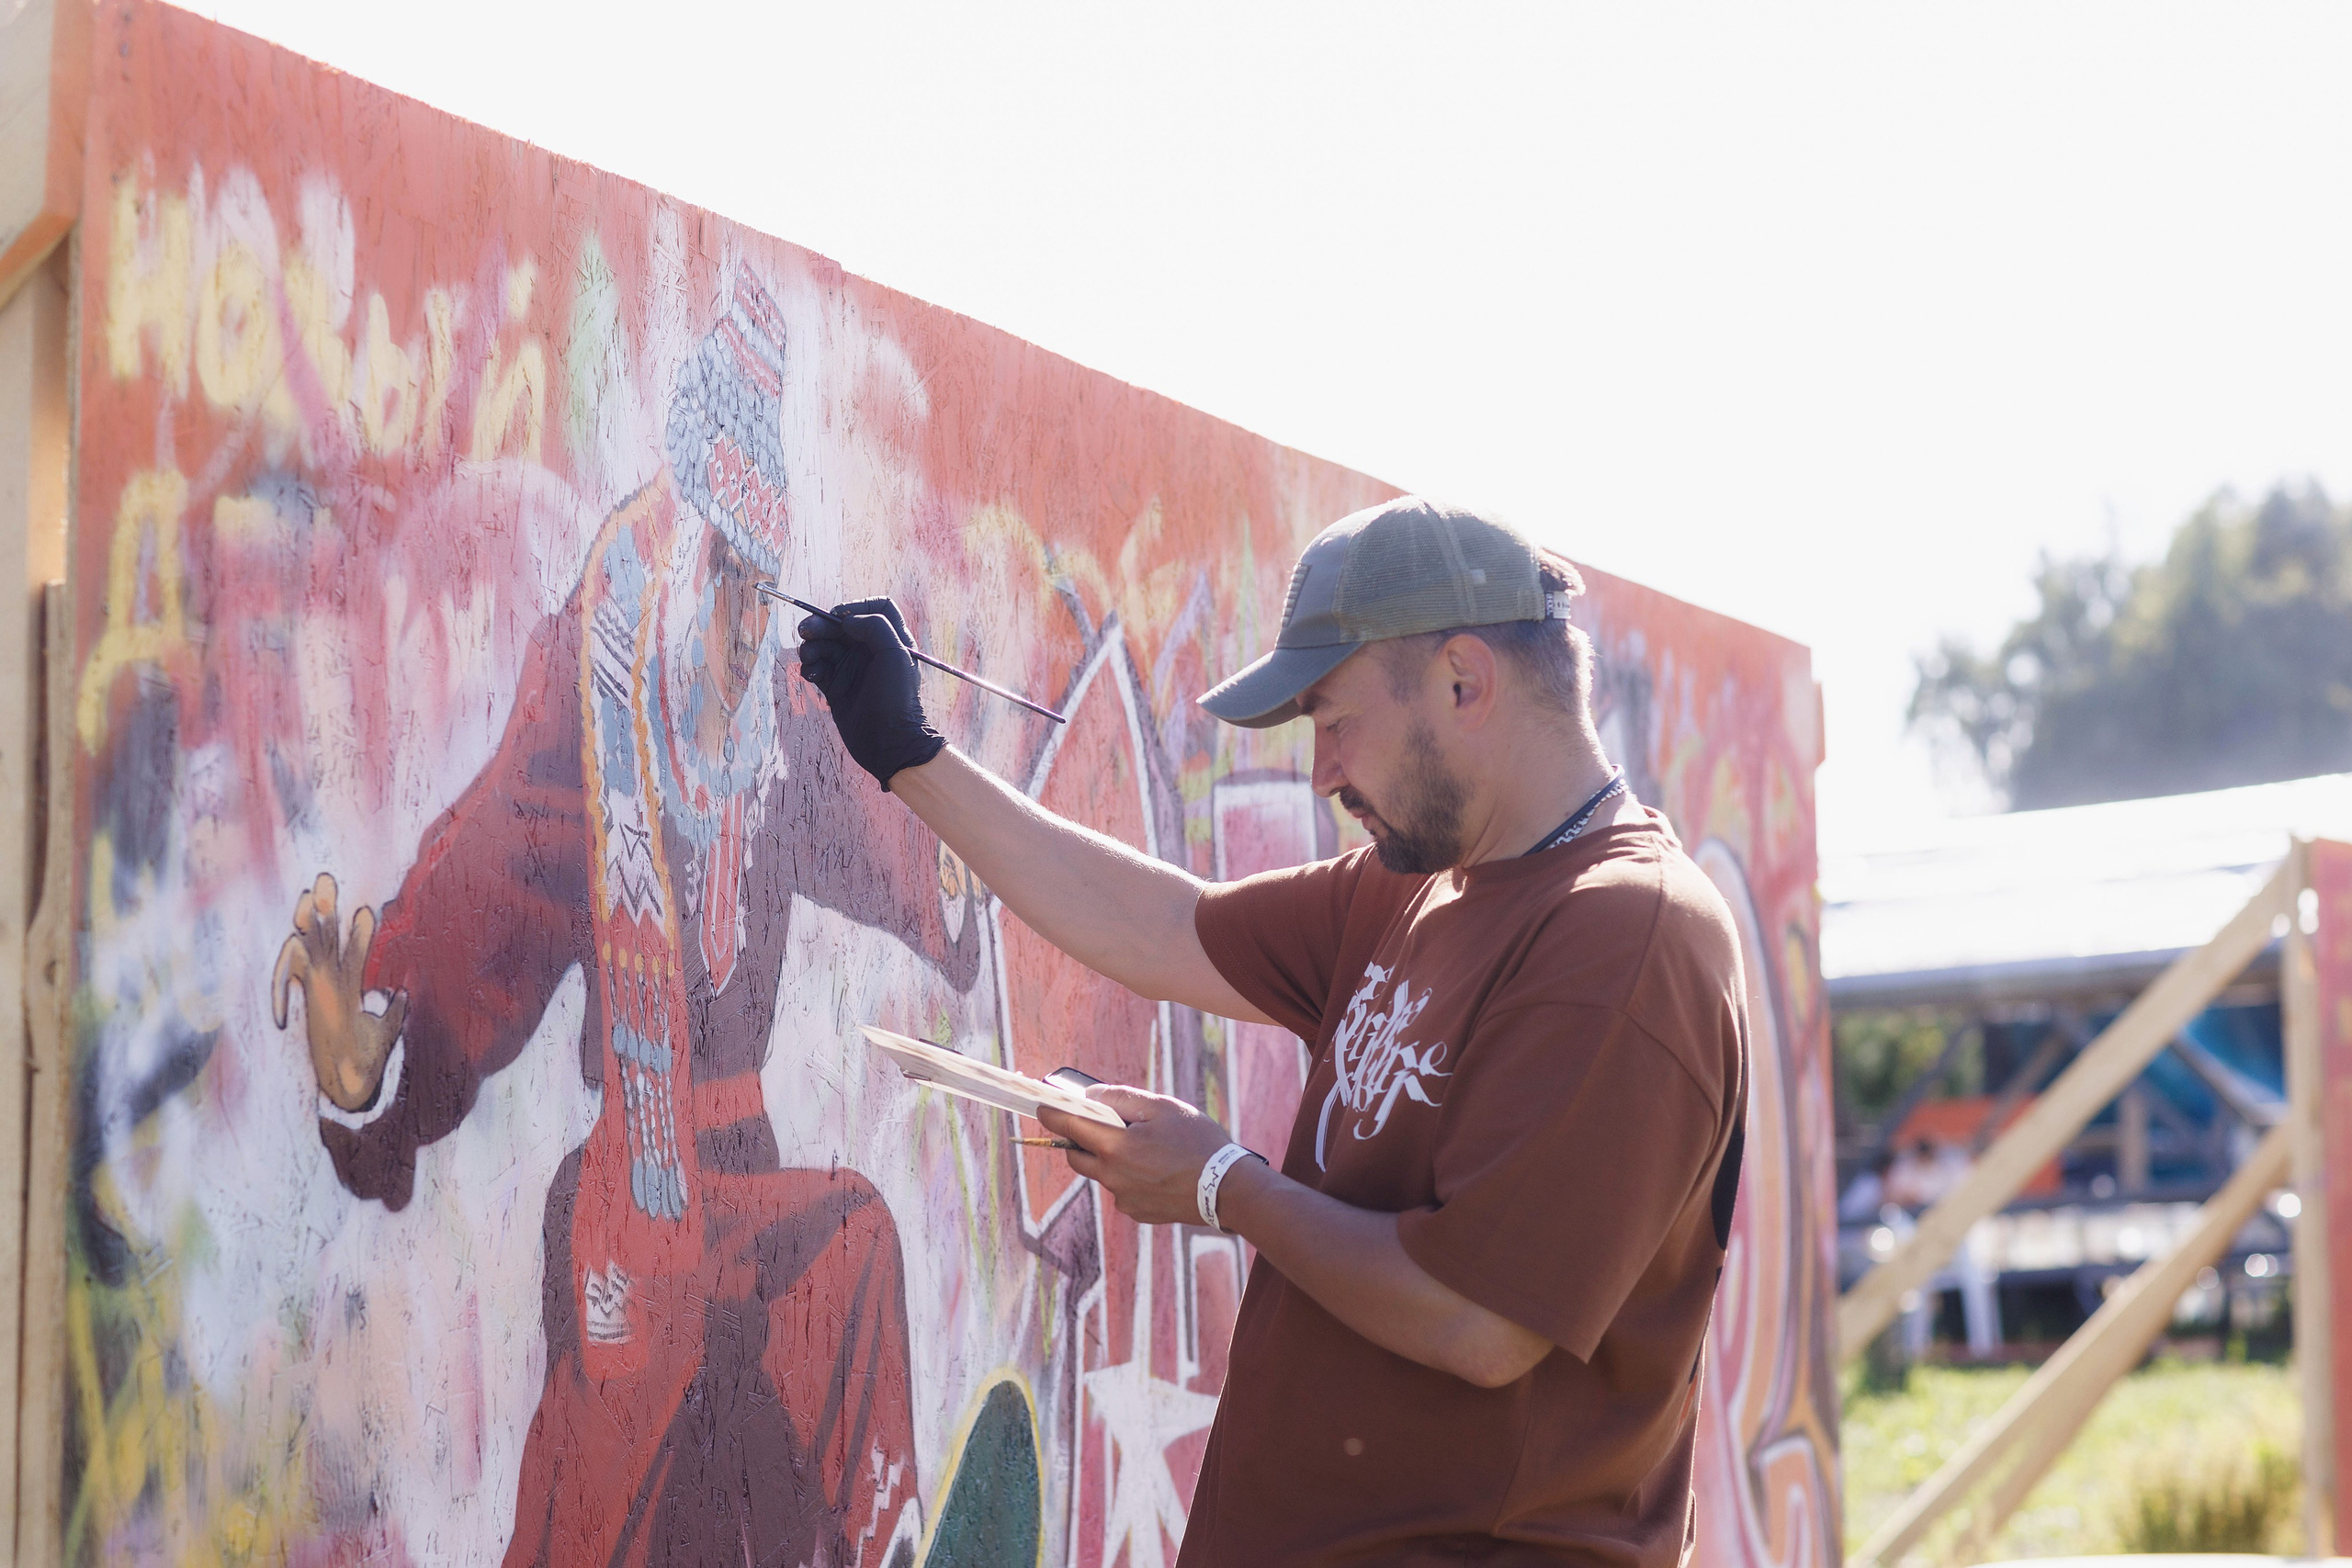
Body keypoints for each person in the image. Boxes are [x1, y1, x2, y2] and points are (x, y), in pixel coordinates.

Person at [797, 496, 1751, 1565]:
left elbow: (1476, 1323)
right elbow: (1164, 926)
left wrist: (1221, 1186)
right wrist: (909, 753)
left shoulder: (1625, 938)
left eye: (1335, 721)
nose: (1321, 772)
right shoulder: (1419, 887)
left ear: (1463, 682)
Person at [271, 276, 968, 1568]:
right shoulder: (593, 690)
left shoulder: (786, 720)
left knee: (853, 1246)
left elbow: (909, 837)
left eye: (770, 589)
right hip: (625, 1207)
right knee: (601, 1520)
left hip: (747, 1182)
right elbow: (494, 880)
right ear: (692, 551)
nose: (750, 622)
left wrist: (967, 844)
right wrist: (384, 1049)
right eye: (734, 582)